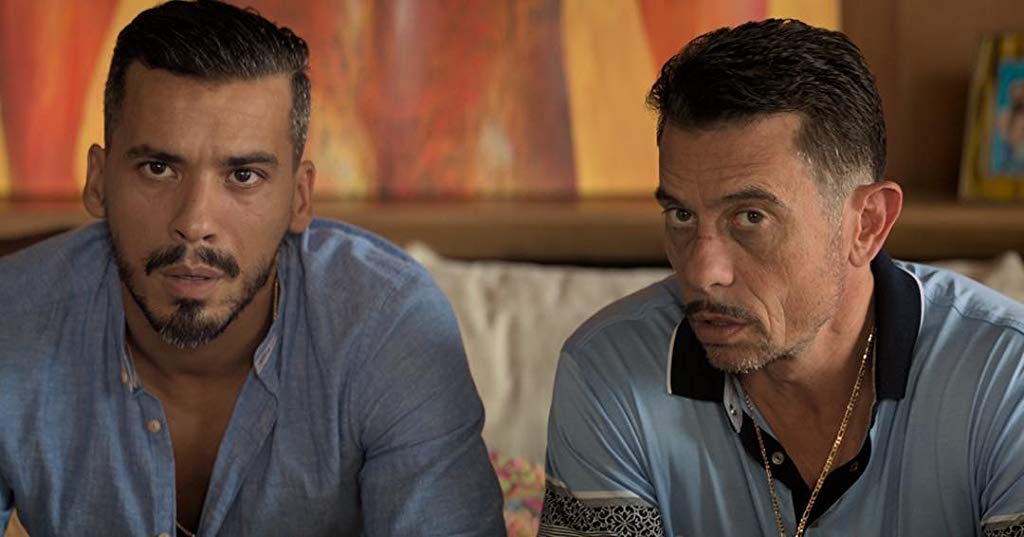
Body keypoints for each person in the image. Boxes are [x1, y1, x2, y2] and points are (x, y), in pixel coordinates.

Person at [0, 1, 505, 536]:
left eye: (243, 176)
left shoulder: (387, 328)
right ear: (99, 181)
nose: (194, 223)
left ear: (299, 198)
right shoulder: (12, 321)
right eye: (158, 168)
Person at [539, 19, 1024, 537]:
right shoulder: (609, 371)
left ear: (867, 224)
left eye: (751, 217)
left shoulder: (1006, 377)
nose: (703, 273)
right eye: (681, 215)